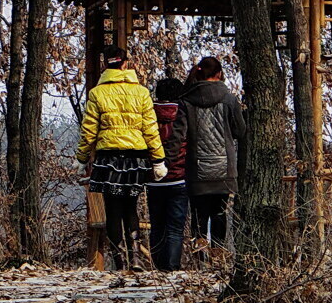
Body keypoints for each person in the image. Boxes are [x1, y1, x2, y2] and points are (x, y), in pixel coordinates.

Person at [75, 46, 167, 271]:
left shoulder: (97, 94)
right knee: (131, 206)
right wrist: (158, 160)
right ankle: (136, 257)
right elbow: (150, 129)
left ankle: (120, 261)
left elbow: (89, 131)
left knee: (113, 209)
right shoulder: (141, 92)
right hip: (135, 158)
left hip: (108, 157)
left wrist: (81, 158)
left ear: (106, 64)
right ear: (126, 63)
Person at [180, 56, 246, 265]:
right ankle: (218, 258)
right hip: (223, 167)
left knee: (198, 214)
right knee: (219, 214)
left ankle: (199, 259)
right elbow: (240, 130)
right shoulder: (229, 99)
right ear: (219, 74)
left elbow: (181, 134)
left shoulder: (186, 100)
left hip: (196, 167)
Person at [147, 78, 188, 271]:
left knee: (156, 225)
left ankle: (157, 266)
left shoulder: (148, 113)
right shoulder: (183, 113)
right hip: (179, 178)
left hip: (153, 178)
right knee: (175, 228)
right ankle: (172, 267)